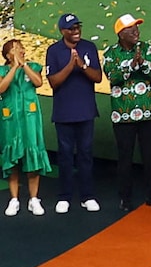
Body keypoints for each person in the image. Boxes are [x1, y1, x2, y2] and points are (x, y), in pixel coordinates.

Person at [103, 14, 151, 211]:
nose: (135, 31)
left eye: (137, 27)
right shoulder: (111, 53)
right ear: (120, 33)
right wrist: (131, 65)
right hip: (123, 114)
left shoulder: (147, 48)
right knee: (125, 158)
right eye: (130, 29)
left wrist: (142, 63)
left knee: (150, 156)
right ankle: (125, 198)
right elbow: (112, 76)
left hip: (147, 112)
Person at [45, 13, 102, 214]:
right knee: (65, 156)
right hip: (63, 113)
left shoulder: (89, 47)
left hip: (86, 112)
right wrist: (71, 65)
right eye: (71, 28)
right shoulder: (53, 51)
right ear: (63, 31)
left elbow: (98, 77)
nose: (76, 31)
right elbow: (53, 82)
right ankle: (65, 196)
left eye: (78, 26)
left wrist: (83, 66)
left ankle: (87, 196)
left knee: (86, 155)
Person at [1, 40, 50, 217]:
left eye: (21, 47)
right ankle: (14, 199)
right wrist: (14, 67)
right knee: (12, 158)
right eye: (16, 49)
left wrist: (24, 66)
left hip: (30, 119)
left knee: (33, 156)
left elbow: (38, 82)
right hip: (10, 119)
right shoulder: (2, 71)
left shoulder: (34, 66)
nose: (21, 50)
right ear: (8, 55)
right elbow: (1, 88)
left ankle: (34, 199)